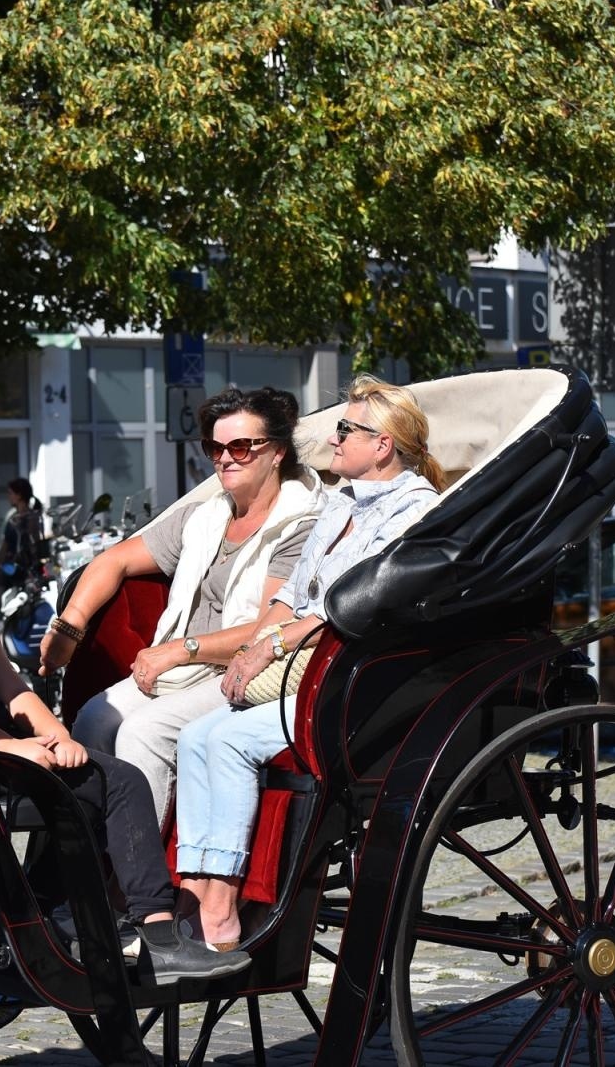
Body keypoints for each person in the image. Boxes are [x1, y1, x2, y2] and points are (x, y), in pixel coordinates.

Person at [0, 487, 249, 983]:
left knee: (95, 773)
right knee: (122, 783)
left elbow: (12, 688)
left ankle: (48, 907)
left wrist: (57, 736)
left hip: (4, 751)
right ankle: (158, 937)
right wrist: (7, 747)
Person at [175, 376, 446, 949]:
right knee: (196, 736)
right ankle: (195, 887)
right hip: (307, 664)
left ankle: (222, 904)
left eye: (347, 429)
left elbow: (354, 605)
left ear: (383, 445)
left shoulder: (415, 511)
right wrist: (254, 646)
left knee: (229, 742)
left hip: (357, 679)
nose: (335, 438)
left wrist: (273, 646)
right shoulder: (341, 501)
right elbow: (294, 594)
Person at [39, 387, 325, 827]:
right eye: (214, 448)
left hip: (246, 671)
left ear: (277, 452)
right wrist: (70, 626)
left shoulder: (303, 525)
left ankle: (141, 864)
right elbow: (114, 560)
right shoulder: (204, 516)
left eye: (240, 447)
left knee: (144, 732)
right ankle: (90, 852)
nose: (225, 458)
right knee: (95, 718)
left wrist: (179, 650)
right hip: (181, 668)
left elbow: (267, 627)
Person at [0, 477, 45, 609]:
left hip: (22, 572)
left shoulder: (27, 518)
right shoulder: (15, 517)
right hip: (15, 570)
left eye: (10, 493)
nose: (8, 497)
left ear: (19, 495)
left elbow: (6, 547)